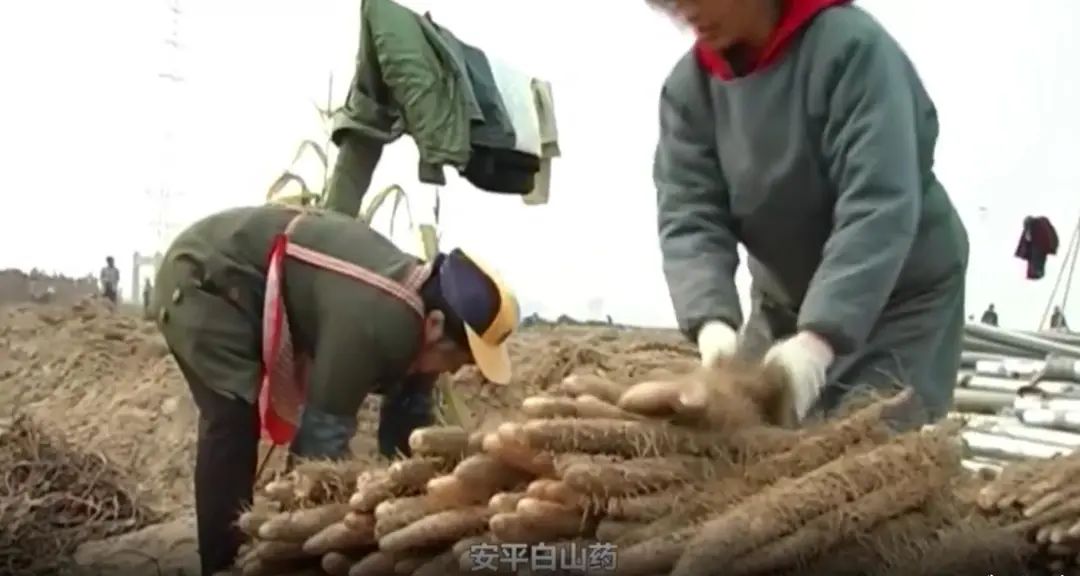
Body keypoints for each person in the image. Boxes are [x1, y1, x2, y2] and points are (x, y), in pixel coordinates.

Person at [153, 204, 521, 575]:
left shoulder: (421, 311)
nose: (456, 370)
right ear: (437, 326)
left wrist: (418, 504)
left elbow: (407, 430)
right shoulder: (384, 318)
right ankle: (225, 565)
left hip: (235, 282)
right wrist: (304, 546)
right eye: (459, 359)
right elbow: (319, 446)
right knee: (232, 422)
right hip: (206, 281)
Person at [651, 0, 969, 426]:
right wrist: (714, 327)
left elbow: (876, 201)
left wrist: (818, 342)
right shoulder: (690, 93)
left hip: (899, 297)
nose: (685, 10)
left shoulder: (850, 50)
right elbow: (690, 217)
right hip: (785, 303)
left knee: (868, 455)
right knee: (746, 439)